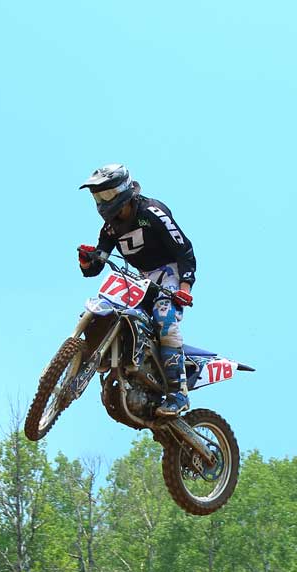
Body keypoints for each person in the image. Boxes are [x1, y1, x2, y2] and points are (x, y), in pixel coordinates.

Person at [78, 164, 196, 417]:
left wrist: (185, 287)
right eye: (97, 197)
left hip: (168, 274)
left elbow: (184, 249)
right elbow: (98, 262)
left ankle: (178, 393)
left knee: (165, 320)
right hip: (139, 279)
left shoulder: (152, 212)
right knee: (109, 309)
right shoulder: (110, 227)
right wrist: (87, 261)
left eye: (106, 195)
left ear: (122, 191)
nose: (101, 202)